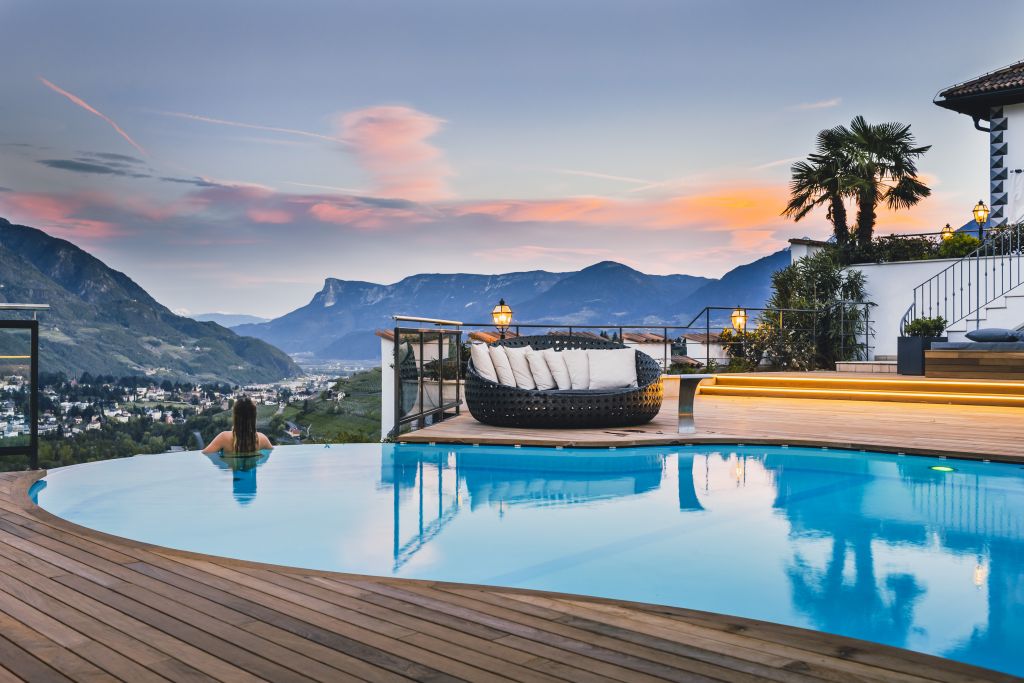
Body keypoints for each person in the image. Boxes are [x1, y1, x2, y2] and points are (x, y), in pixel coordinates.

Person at [202, 396, 274, 455]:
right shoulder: (262, 439)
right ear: (253, 417)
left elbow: (205, 453)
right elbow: (272, 452)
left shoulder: (223, 438)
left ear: (235, 417)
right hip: (252, 471)